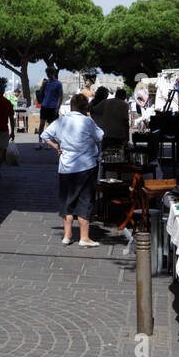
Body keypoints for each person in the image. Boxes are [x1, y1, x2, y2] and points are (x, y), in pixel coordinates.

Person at [41, 94, 104, 247]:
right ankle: (84, 237)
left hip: (66, 167)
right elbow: (100, 136)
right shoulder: (88, 121)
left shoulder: (61, 121)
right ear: (85, 107)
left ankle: (67, 235)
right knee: (85, 201)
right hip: (86, 167)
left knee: (66, 201)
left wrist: (57, 146)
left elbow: (45, 135)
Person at [37, 68, 63, 137]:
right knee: (41, 124)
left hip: (53, 107)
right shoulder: (46, 82)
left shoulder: (58, 84)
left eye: (48, 73)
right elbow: (41, 94)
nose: (47, 75)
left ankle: (49, 142)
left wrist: (58, 108)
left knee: (51, 125)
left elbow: (61, 96)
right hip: (44, 106)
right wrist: (43, 86)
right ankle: (40, 141)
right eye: (47, 73)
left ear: (52, 73)